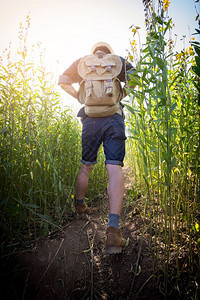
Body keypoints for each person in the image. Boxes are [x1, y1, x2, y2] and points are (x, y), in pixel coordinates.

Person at [58, 42, 135, 254]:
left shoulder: (83, 63)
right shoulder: (117, 61)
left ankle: (80, 205)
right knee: (114, 168)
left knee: (86, 166)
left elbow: (62, 80)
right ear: (109, 51)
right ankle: (114, 229)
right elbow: (137, 78)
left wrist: (80, 97)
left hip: (90, 119)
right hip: (114, 118)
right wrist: (121, 95)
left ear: (94, 52)